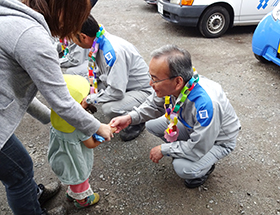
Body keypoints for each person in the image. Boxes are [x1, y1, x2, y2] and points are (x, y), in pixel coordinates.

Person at [0, 0, 113, 214]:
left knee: (20, 166)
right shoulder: (31, 38)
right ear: (64, 10)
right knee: (20, 172)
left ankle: (33, 195)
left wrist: (49, 118)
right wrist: (99, 127)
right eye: (76, 17)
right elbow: (63, 103)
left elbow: (17, 90)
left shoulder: (12, 16)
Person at [110, 45, 241, 188]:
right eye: (150, 76)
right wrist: (129, 118)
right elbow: (153, 105)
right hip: (192, 128)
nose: (150, 83)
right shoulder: (177, 84)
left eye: (154, 79)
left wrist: (164, 149)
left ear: (178, 81)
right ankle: (183, 150)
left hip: (217, 140)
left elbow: (199, 146)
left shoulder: (206, 105)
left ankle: (204, 168)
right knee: (151, 125)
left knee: (182, 167)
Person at [65, 14, 153, 141]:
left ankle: (137, 121)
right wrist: (90, 91)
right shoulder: (98, 41)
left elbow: (117, 92)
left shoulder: (113, 52)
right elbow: (96, 74)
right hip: (123, 84)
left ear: (84, 37)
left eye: (73, 37)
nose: (73, 41)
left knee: (110, 108)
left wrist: (89, 99)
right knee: (82, 81)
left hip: (141, 91)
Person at [48, 74, 114, 209]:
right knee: (80, 178)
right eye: (86, 96)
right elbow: (90, 144)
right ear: (79, 104)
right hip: (75, 160)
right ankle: (82, 200)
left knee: (72, 176)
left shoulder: (56, 113)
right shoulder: (79, 125)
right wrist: (104, 136)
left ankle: (72, 193)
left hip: (61, 156)